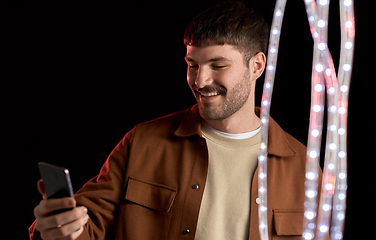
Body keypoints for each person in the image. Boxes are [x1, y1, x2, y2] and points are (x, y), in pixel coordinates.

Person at [30, 1, 322, 240]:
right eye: (192, 65)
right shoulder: (142, 142)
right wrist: (59, 227)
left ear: (257, 66)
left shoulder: (305, 169)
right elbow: (86, 225)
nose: (200, 80)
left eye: (218, 65)